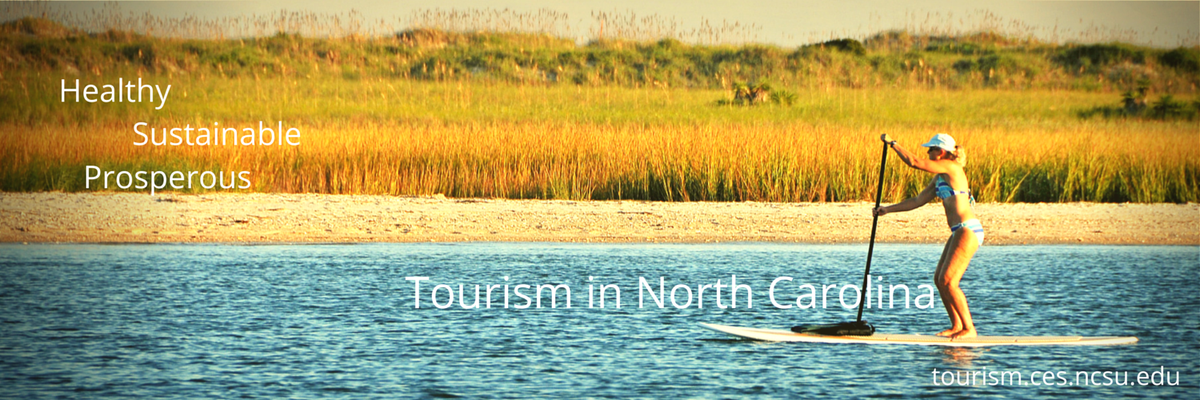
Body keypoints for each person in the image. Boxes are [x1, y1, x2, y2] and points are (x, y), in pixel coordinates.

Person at [874, 133, 982, 339]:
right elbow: (917, 200)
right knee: (939, 280)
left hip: (968, 229)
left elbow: (914, 162)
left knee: (949, 280)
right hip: (958, 231)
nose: (928, 153)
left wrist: (893, 144)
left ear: (941, 152)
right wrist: (887, 210)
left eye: (930, 149)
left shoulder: (951, 167)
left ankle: (969, 329)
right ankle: (957, 325)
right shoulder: (939, 178)